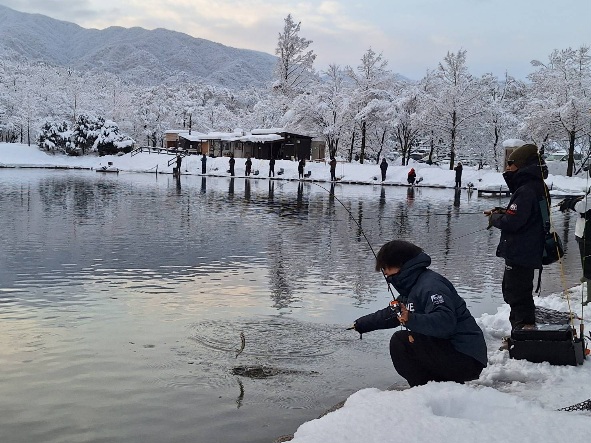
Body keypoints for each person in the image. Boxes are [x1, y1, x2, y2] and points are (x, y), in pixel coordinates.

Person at [350, 240, 487, 387]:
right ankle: (437, 385)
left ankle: (424, 389)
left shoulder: (431, 285)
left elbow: (445, 322)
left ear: (400, 264)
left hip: (465, 356)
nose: (385, 273)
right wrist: (361, 324)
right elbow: (392, 314)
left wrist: (411, 319)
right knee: (414, 337)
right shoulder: (412, 287)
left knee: (401, 341)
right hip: (452, 351)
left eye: (385, 268)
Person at [484, 141, 548, 331]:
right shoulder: (536, 185)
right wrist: (503, 211)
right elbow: (526, 215)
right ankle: (520, 333)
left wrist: (495, 218)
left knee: (516, 294)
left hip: (521, 251)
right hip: (528, 249)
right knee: (517, 293)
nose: (507, 167)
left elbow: (512, 222)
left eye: (510, 163)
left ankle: (524, 333)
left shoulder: (526, 189)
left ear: (521, 164)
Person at [558, 190, 591, 305]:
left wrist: (570, 203)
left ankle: (590, 297)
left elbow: (583, 207)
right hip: (584, 233)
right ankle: (587, 277)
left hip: (587, 233)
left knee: (588, 262)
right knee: (586, 261)